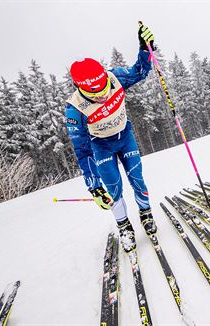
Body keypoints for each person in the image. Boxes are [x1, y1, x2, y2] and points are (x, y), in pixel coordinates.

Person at [65, 24, 157, 252]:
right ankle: (124, 226)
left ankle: (146, 213)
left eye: (104, 88)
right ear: (80, 87)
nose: (103, 95)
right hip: (101, 146)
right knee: (113, 189)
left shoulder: (115, 77)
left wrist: (145, 49)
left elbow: (140, 71)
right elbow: (82, 150)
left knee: (137, 179)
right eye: (96, 94)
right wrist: (93, 186)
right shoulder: (75, 109)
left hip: (125, 136)